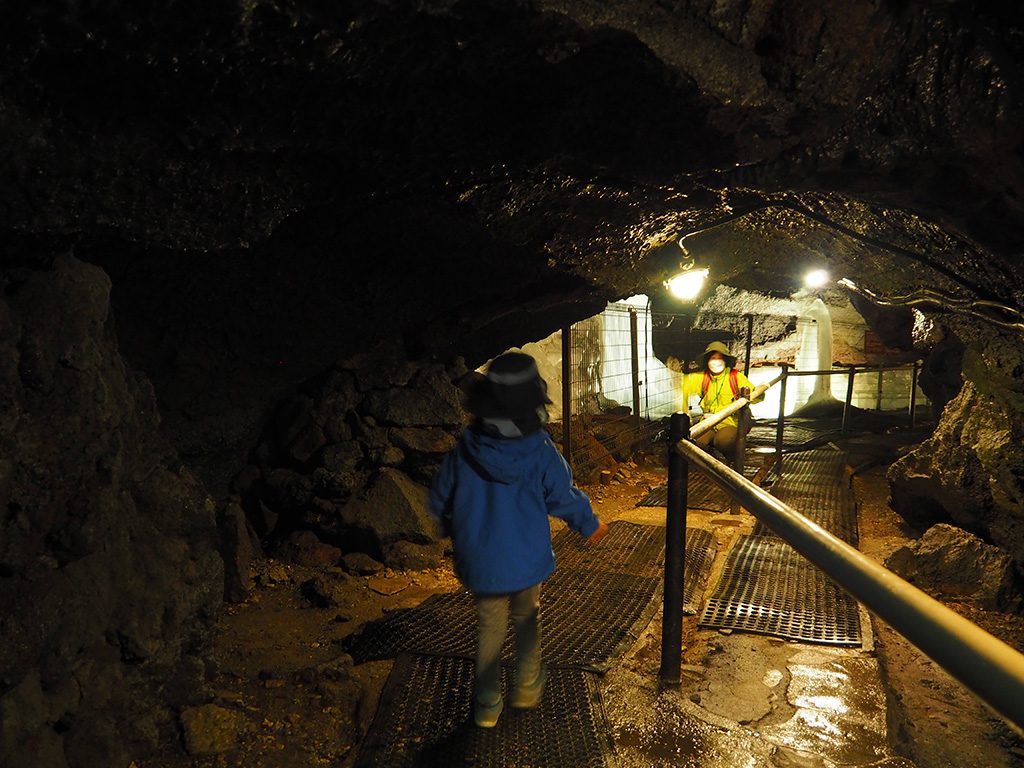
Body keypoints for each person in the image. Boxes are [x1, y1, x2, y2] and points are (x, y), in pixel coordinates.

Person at [429, 352, 609, 729]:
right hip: (526, 561)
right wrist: (588, 523)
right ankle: (526, 685)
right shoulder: (541, 452)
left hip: (481, 560)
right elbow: (563, 495)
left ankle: (486, 704)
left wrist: (445, 527)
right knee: (527, 618)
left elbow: (440, 496)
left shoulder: (465, 450)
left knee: (489, 628)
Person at [682, 340, 762, 466]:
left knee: (723, 441)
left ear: (725, 360)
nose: (716, 361)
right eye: (713, 358)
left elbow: (754, 396)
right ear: (708, 360)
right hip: (708, 422)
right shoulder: (703, 378)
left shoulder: (735, 377)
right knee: (694, 442)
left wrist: (759, 391)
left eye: (720, 358)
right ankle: (709, 462)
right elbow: (682, 385)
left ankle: (732, 459)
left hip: (730, 422)